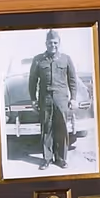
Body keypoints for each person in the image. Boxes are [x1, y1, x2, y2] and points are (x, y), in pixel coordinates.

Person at [27, 30, 80, 170]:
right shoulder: (38, 59)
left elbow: (72, 80)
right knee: (46, 128)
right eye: (50, 43)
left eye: (55, 42)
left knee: (61, 128)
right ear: (46, 43)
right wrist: (33, 99)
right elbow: (32, 81)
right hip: (45, 99)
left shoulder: (66, 59)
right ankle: (47, 159)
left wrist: (73, 98)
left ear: (59, 43)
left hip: (61, 99)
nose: (53, 45)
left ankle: (61, 159)